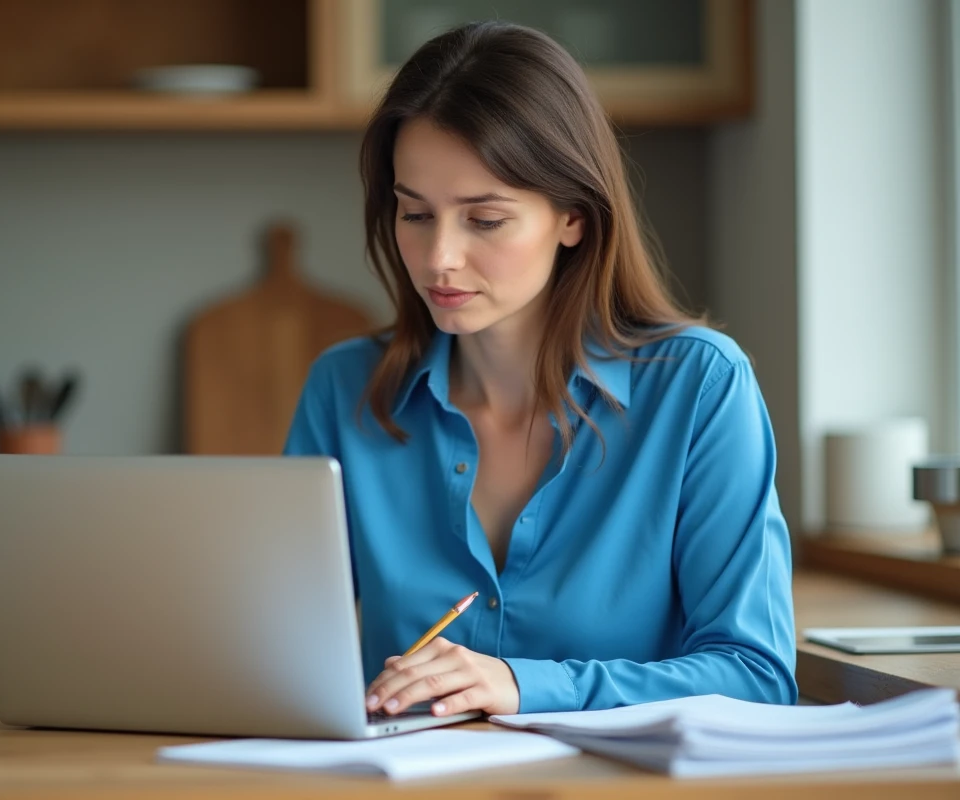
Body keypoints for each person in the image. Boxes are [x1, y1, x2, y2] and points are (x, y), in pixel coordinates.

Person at [283, 20, 797, 717]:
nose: (439, 258)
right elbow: (281, 650)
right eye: (414, 214)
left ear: (573, 217)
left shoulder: (699, 386)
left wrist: (524, 686)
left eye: (484, 220)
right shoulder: (344, 391)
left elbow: (757, 674)